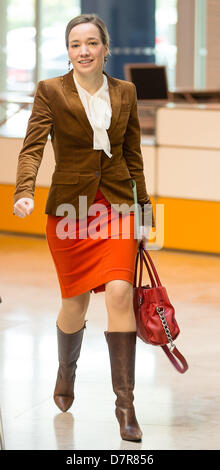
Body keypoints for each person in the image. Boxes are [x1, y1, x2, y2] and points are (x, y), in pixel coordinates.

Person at [13, 13, 155, 442]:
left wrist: (144, 210)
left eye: (92, 43)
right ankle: (65, 371)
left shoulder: (126, 92)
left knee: (119, 291)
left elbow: (133, 153)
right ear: (68, 50)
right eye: (76, 44)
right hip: (70, 210)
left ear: (105, 48)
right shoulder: (50, 91)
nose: (84, 51)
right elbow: (32, 146)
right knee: (74, 306)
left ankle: (125, 408)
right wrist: (24, 190)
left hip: (116, 205)